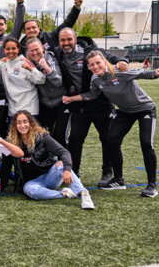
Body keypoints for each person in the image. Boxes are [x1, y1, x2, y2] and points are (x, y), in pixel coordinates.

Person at [63, 51, 158, 197]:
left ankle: (152, 185)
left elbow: (147, 74)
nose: (95, 66)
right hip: (125, 111)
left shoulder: (120, 71)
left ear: (104, 61)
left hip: (144, 109)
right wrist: (72, 99)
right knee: (111, 140)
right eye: (92, 64)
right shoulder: (95, 79)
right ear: (88, 67)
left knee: (146, 144)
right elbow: (92, 95)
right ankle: (118, 180)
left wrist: (156, 72)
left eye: (98, 63)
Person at [55, 27, 129, 185]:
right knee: (75, 139)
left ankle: (107, 173)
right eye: (63, 40)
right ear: (59, 42)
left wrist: (123, 62)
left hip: (101, 105)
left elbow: (110, 57)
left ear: (75, 39)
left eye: (69, 39)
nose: (66, 43)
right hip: (79, 106)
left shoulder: (91, 51)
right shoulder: (58, 54)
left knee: (106, 139)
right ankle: (74, 172)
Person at [8, 110, 95, 209]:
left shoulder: (42, 137)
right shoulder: (12, 143)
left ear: (31, 123)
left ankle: (83, 194)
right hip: (32, 183)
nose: (22, 125)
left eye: (25, 121)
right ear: (14, 125)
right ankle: (64, 194)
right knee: (30, 191)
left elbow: (64, 152)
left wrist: (66, 169)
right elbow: (6, 166)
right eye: (19, 123)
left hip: (50, 176)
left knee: (61, 165)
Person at [25, 38, 69, 146]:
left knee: (60, 133)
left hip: (61, 100)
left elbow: (58, 81)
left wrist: (46, 67)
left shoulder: (50, 59)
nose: (35, 53)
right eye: (31, 51)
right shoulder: (29, 63)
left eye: (37, 49)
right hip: (45, 102)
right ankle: (48, 160)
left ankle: (64, 160)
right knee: (44, 133)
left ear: (43, 48)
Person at [0, 37, 46, 118]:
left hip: (29, 109)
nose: (11, 51)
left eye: (13, 48)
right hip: (12, 110)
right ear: (4, 50)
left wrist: (30, 69)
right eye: (8, 49)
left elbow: (42, 80)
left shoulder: (25, 62)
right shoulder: (3, 63)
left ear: (18, 49)